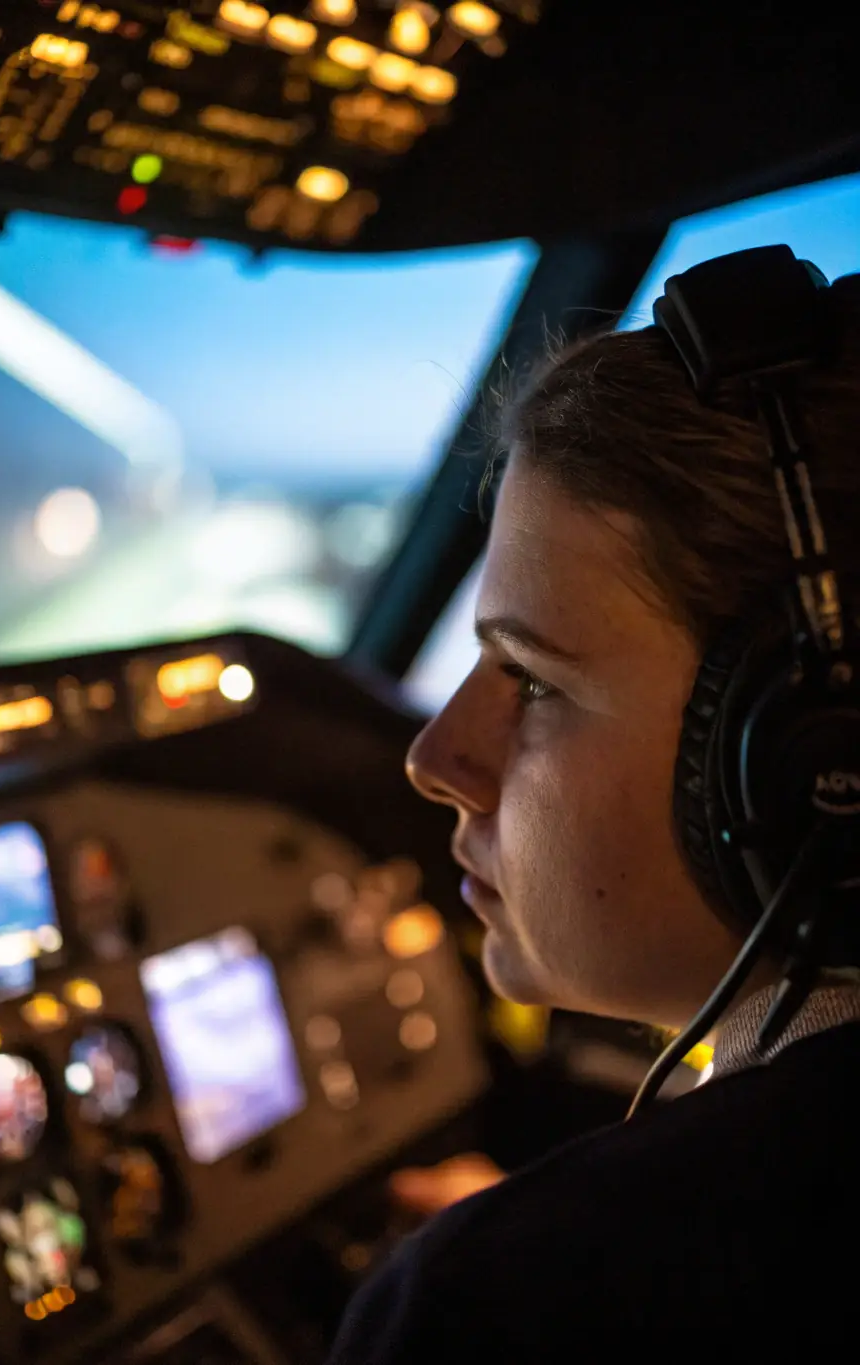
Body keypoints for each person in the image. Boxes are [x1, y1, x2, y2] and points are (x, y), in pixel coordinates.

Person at [327, 257, 860, 1361]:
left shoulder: (492, 1307)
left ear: (810, 756)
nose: (434, 758)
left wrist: (528, 1260)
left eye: (530, 680)